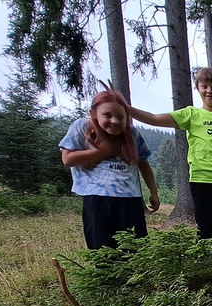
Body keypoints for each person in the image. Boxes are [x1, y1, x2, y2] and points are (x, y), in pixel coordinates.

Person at [128, 68, 212, 252]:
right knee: (207, 228)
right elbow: (154, 118)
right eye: (205, 86)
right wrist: (126, 108)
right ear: (199, 89)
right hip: (203, 180)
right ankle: (204, 268)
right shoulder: (191, 114)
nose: (210, 91)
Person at [60, 88, 159, 250]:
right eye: (107, 115)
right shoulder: (82, 127)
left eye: (120, 117)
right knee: (103, 249)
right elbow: (67, 159)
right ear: (94, 113)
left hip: (131, 199)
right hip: (97, 199)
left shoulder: (132, 134)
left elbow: (144, 164)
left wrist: (153, 192)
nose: (114, 121)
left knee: (136, 250)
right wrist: (102, 152)